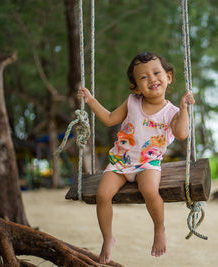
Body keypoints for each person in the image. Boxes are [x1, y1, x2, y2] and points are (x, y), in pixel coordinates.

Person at [77, 52, 195, 264]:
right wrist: (90, 100)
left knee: (149, 190)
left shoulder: (172, 111)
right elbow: (109, 118)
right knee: (103, 195)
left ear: (168, 77)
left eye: (156, 73)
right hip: (120, 161)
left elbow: (181, 134)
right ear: (135, 87)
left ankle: (159, 228)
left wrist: (185, 109)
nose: (151, 79)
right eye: (143, 77)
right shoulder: (132, 101)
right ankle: (107, 238)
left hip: (148, 163)